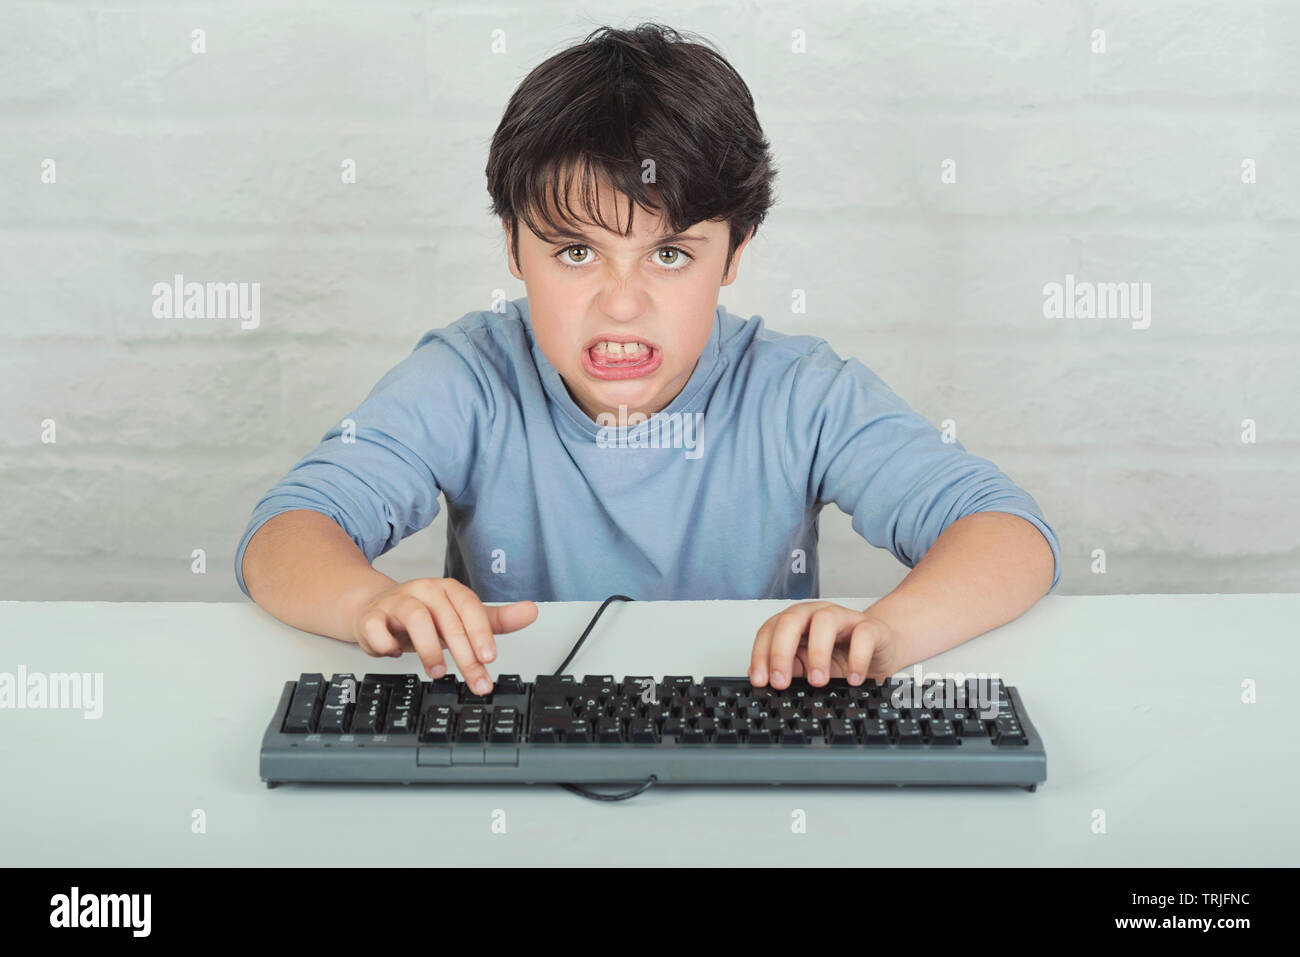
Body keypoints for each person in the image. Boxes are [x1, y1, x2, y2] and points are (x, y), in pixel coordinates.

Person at [236, 23, 1060, 697]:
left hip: (743, 741)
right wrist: (369, 600)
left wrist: (889, 629)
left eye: (669, 256)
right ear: (513, 249)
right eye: (575, 253)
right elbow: (285, 532)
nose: (622, 302)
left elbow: (1009, 535)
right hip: (516, 738)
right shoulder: (469, 377)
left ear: (733, 255)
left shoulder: (799, 393)